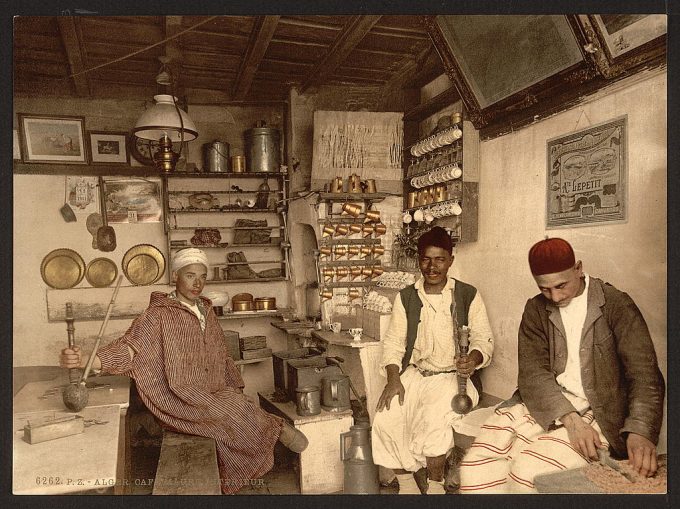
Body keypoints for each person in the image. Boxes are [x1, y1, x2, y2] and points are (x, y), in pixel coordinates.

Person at [60, 248, 308, 494]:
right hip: (179, 395)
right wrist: (87, 360)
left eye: (202, 276)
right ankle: (278, 429)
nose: (197, 283)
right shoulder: (156, 315)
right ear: (176, 276)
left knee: (237, 407)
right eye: (190, 275)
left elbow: (222, 352)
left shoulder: (206, 310)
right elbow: (130, 349)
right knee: (235, 411)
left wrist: (235, 386)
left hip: (214, 390)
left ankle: (235, 469)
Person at [459, 237, 665, 493]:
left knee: (528, 473)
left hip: (600, 410)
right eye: (545, 289)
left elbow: (645, 376)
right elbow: (533, 375)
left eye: (561, 285)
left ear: (578, 268)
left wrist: (641, 431)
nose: (555, 296)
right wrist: (572, 421)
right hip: (549, 404)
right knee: (476, 467)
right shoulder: (535, 309)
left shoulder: (616, 305)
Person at [371, 226, 494, 495]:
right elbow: (393, 343)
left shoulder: (467, 294)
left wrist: (472, 360)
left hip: (454, 378)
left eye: (439, 259)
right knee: (386, 416)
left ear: (451, 260)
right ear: (418, 260)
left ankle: (435, 486)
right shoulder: (407, 297)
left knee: (434, 421)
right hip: (416, 374)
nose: (432, 266)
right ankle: (406, 485)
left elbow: (483, 340)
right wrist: (393, 380)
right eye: (426, 259)